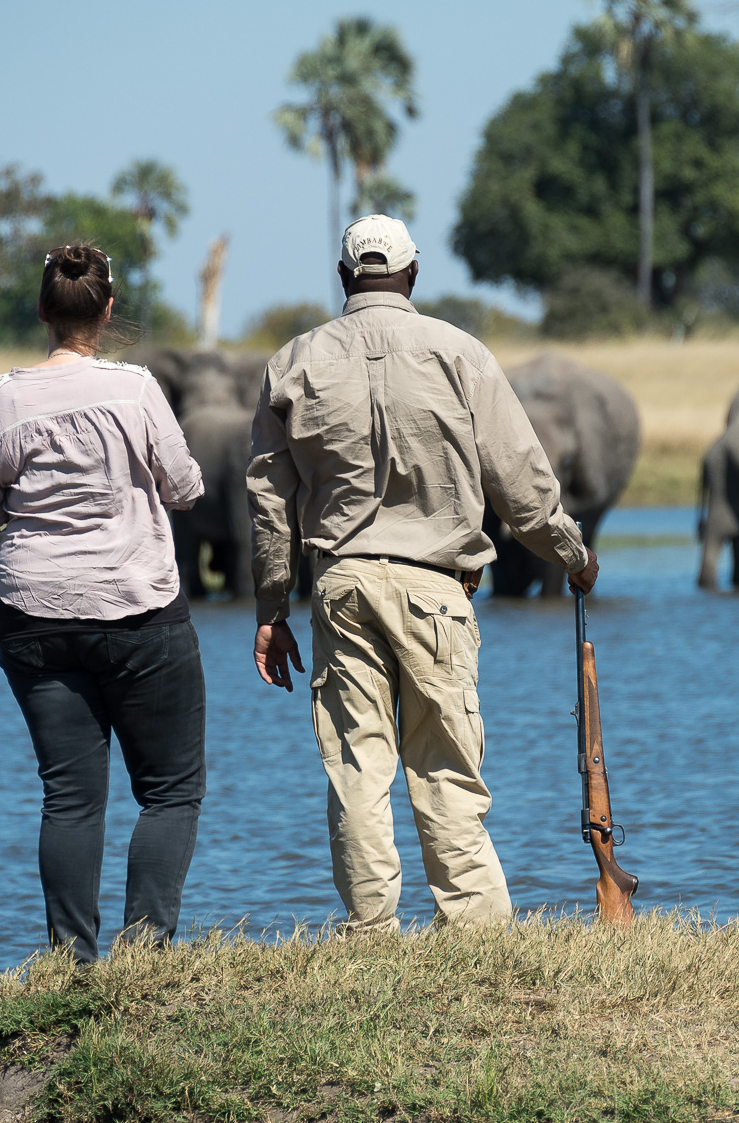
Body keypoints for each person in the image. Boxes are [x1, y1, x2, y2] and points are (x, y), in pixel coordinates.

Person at [246, 214, 600, 931]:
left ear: (344, 278)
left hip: (340, 588)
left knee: (357, 770)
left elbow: (268, 499)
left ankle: (372, 932)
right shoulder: (460, 353)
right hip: (436, 591)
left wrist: (270, 609)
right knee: (444, 766)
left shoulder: (293, 363)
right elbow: (522, 485)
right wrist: (573, 555)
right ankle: (475, 933)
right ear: (411, 274)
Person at [0, 243, 207, 963]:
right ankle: (145, 951)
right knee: (169, 791)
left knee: (69, 796)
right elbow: (185, 488)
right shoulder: (136, 388)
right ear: (107, 310)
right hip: (141, 611)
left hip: (34, 617)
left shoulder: (0, 397)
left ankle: (70, 963)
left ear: (43, 310)